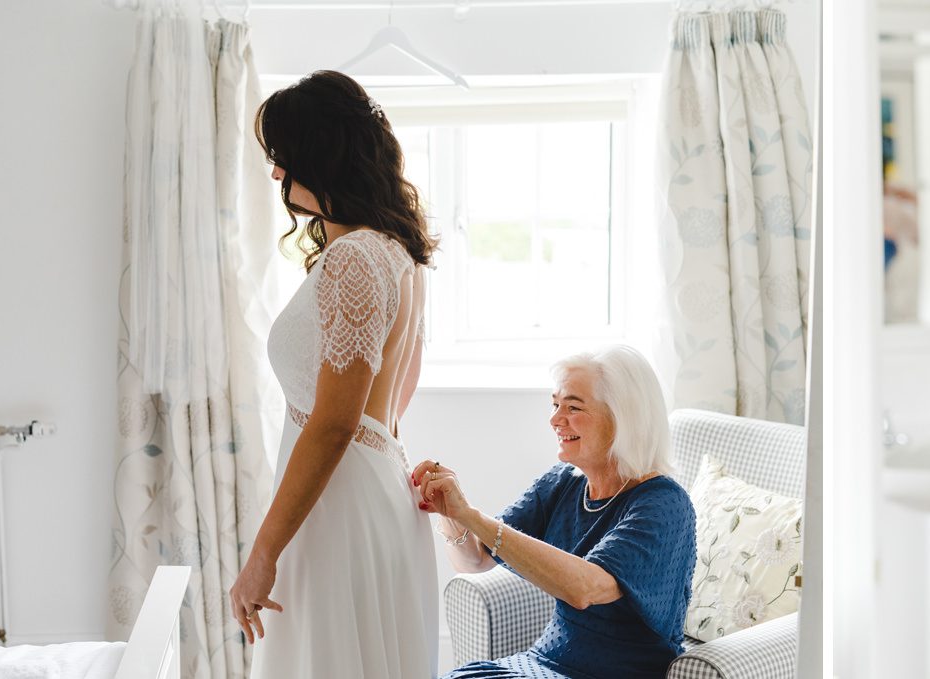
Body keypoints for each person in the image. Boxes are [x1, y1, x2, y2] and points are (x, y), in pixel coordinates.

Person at [228, 70, 440, 679]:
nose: (275, 174)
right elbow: (396, 398)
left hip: (340, 504)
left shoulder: (354, 258)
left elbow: (333, 423)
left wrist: (263, 554)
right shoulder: (399, 251)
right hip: (369, 490)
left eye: (282, 158)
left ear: (319, 158)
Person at [419, 345, 697, 679]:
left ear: (623, 417)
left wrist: (473, 515)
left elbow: (585, 589)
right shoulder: (563, 483)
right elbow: (474, 562)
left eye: (573, 407)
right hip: (544, 662)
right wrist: (452, 513)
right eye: (555, 404)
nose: (554, 419)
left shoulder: (663, 503)